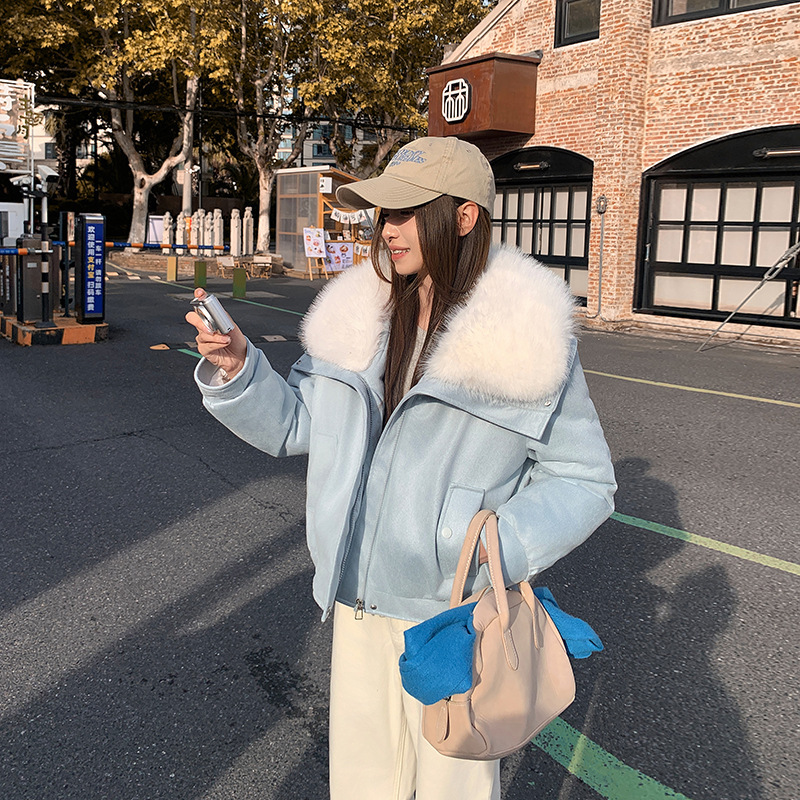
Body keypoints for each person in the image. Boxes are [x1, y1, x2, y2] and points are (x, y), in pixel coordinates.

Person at [186, 136, 616, 800]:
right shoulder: (357, 315)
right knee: (364, 785)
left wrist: (484, 547)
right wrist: (241, 369)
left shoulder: (526, 335)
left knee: (453, 784)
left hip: (451, 615)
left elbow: (585, 479)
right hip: (356, 599)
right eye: (385, 212)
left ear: (464, 216)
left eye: (408, 212)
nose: (387, 229)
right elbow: (299, 425)